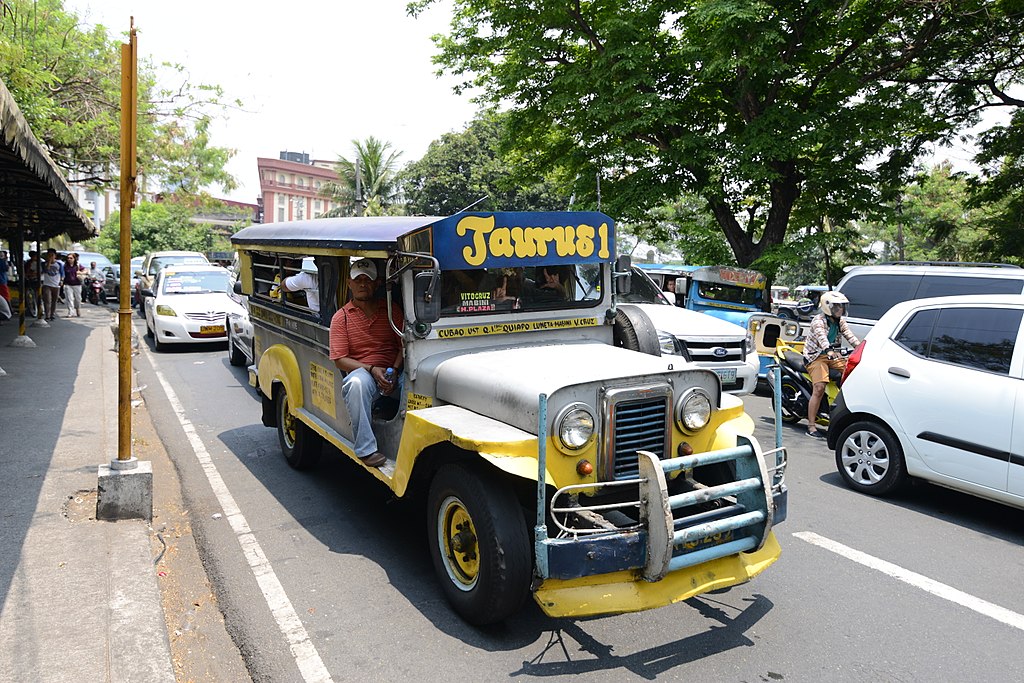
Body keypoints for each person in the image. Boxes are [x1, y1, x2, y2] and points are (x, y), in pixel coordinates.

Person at [328, 258, 403, 468]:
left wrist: (395, 370)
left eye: (367, 280)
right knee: (356, 385)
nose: (362, 284)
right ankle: (366, 449)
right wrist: (371, 369)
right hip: (365, 372)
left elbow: (403, 345)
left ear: (376, 283)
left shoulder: (391, 310)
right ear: (349, 283)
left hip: (394, 371)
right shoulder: (341, 318)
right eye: (357, 280)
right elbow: (340, 360)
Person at [803, 291, 860, 439]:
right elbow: (822, 338)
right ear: (828, 307)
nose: (840, 309)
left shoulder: (839, 321)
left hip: (832, 355)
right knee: (819, 387)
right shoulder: (818, 321)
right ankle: (811, 426)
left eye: (841, 306)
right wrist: (828, 350)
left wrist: (861, 348)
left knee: (853, 373)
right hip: (816, 357)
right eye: (837, 306)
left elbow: (850, 335)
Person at [40, 249, 64, 321]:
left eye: (52, 255)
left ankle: (52, 314)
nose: (50, 257)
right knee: (47, 300)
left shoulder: (59, 264)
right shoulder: (43, 264)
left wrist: (61, 280)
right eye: (49, 255)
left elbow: (62, 273)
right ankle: (47, 315)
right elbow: (45, 271)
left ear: (55, 256)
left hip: (56, 284)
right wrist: (49, 262)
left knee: (54, 300)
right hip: (47, 284)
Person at [63, 252, 85, 317]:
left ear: (74, 259)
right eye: (68, 258)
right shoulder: (65, 266)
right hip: (68, 284)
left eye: (71, 258)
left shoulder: (78, 265)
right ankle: (70, 312)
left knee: (78, 299)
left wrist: (81, 272)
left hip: (77, 284)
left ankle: (78, 308)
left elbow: (85, 270)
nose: (69, 259)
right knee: (69, 299)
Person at [24, 250, 41, 317]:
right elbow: (26, 272)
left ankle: (38, 308)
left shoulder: (38, 263)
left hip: (35, 280)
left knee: (37, 295)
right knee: (30, 295)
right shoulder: (28, 263)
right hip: (30, 280)